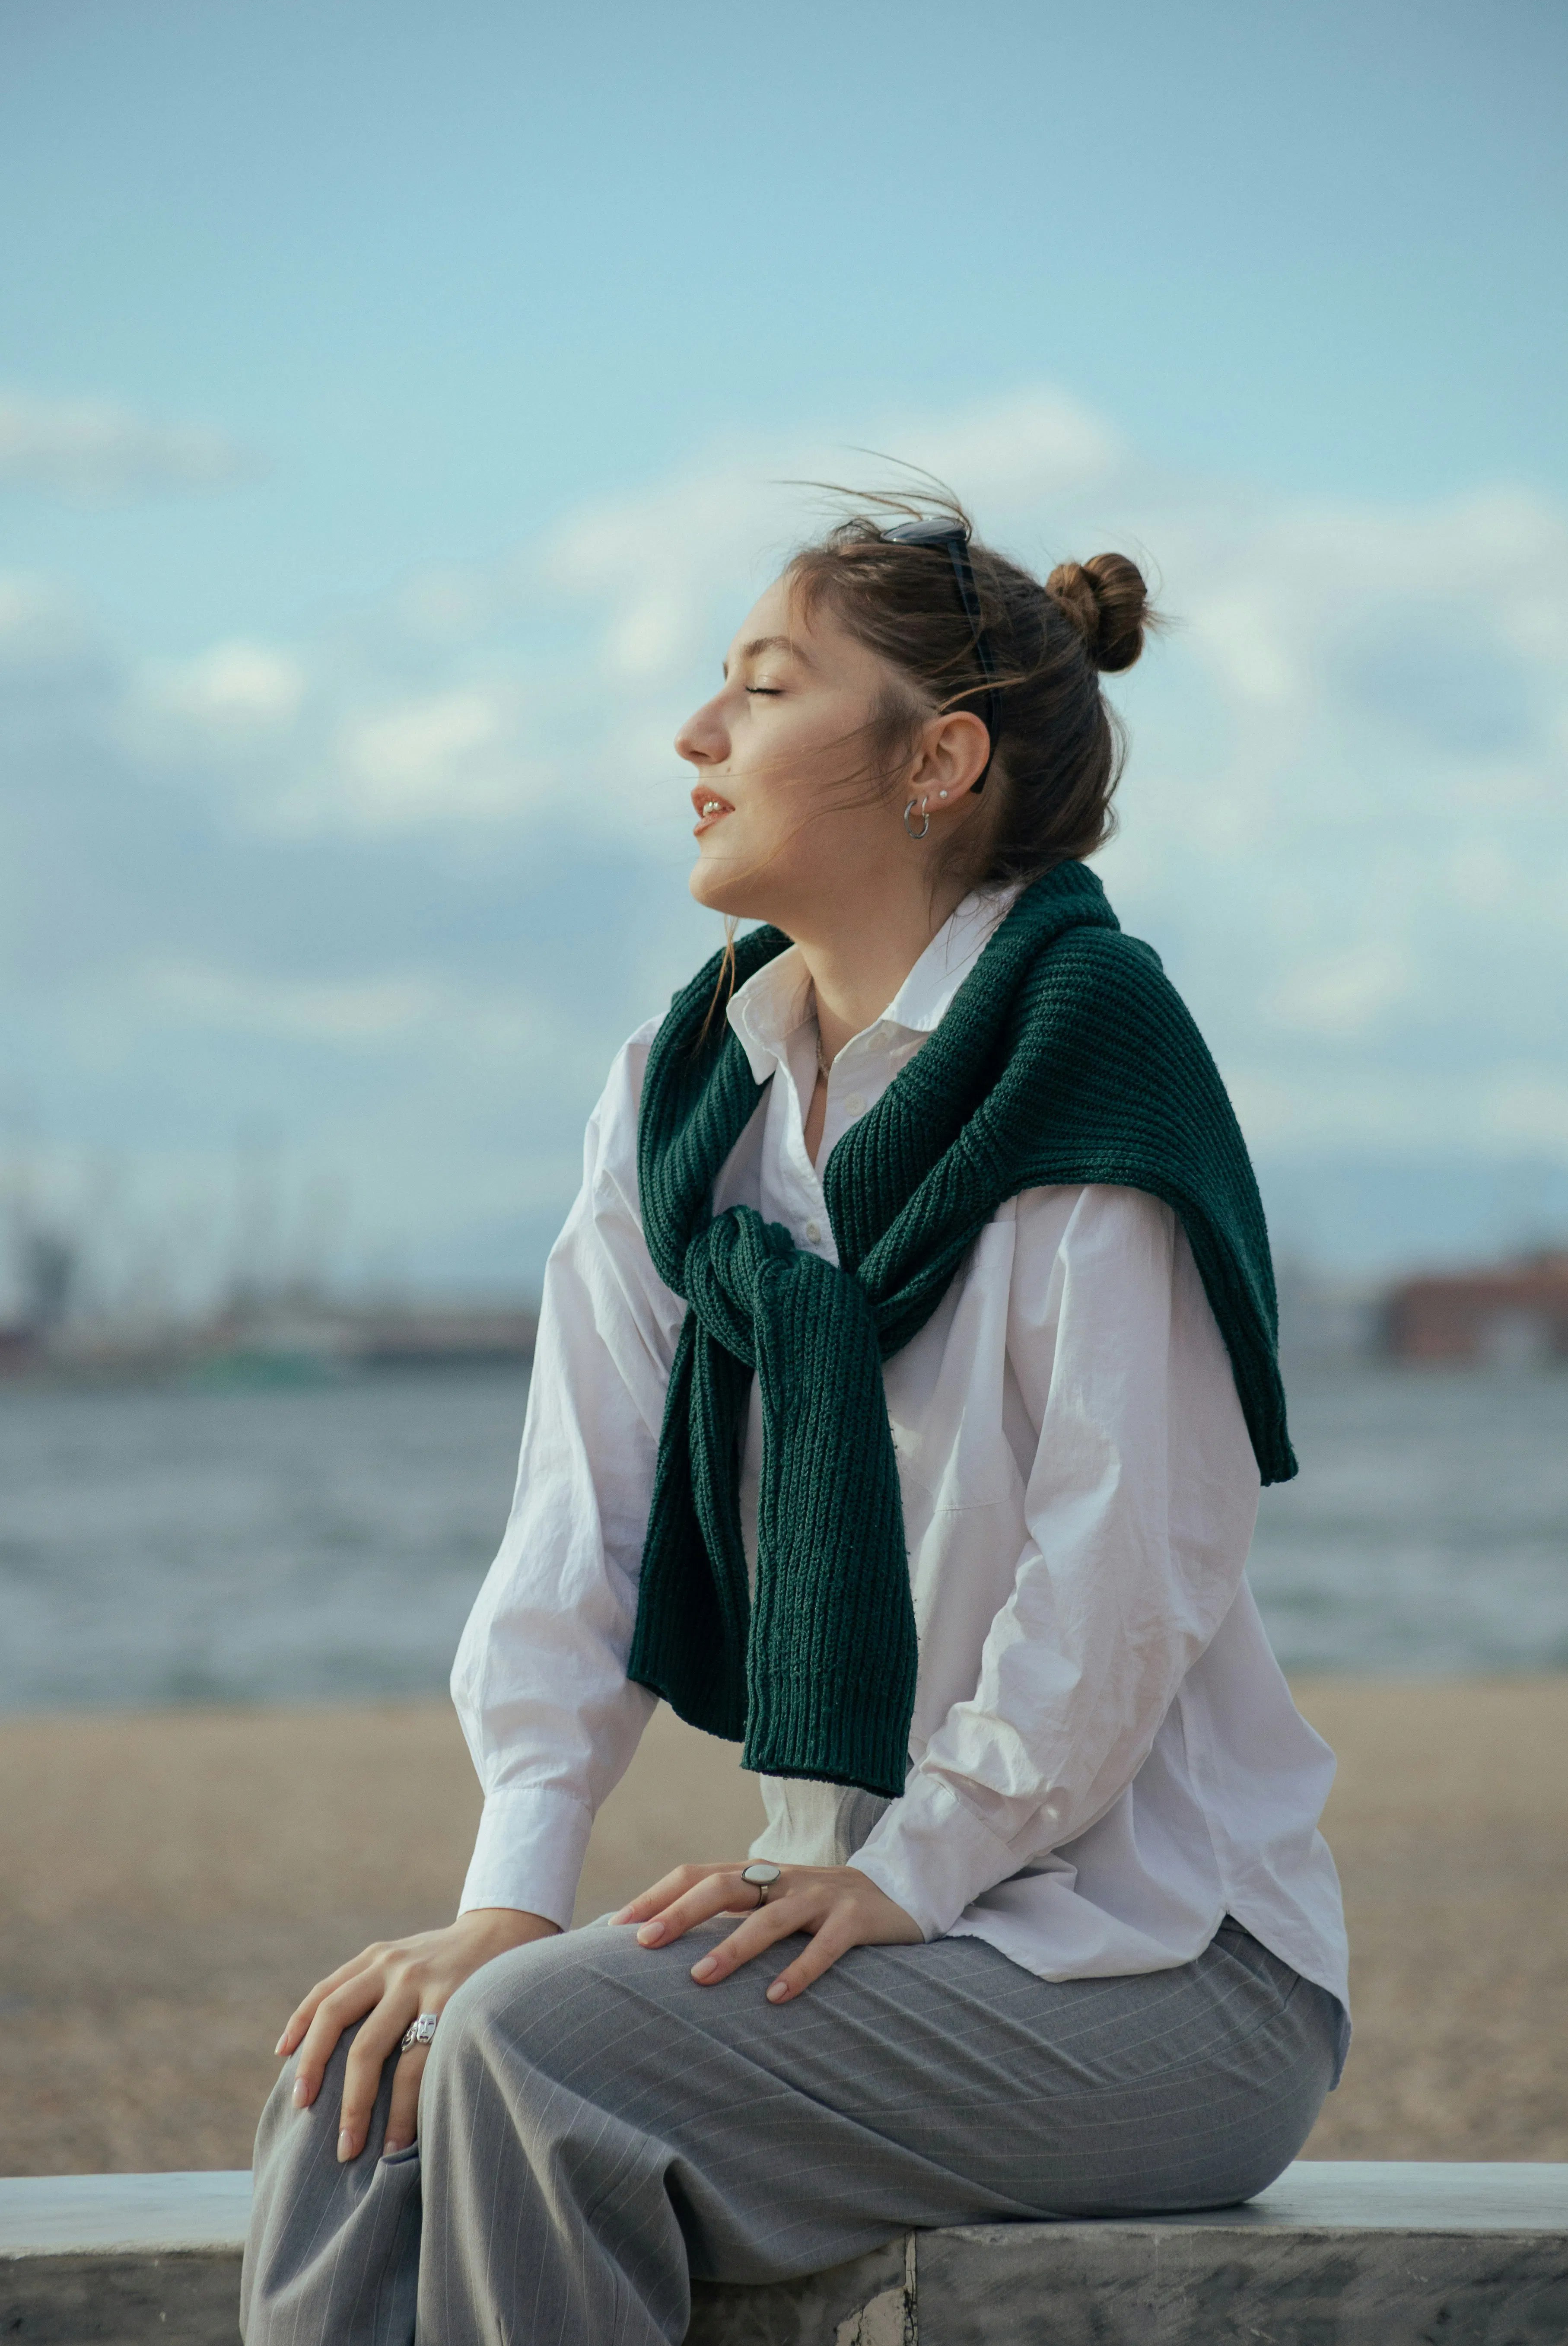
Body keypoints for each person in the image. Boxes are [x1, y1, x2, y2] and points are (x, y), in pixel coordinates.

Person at [242, 496, 1349, 2346]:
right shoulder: (681, 1101)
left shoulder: (1086, 1054)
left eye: (758, 690)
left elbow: (1124, 1576)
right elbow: (577, 1527)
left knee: (543, 2058)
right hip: (887, 1926)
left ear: (936, 759)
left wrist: (901, 1865)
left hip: (1163, 1970)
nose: (695, 737)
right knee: (367, 2085)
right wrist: (509, 1893)